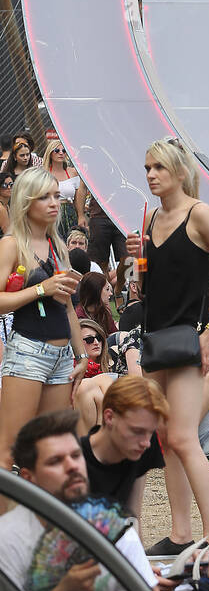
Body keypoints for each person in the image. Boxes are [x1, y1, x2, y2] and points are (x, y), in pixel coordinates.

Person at [124, 137, 209, 545]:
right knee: (164, 438)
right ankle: (181, 533)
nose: (151, 175)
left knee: (181, 437)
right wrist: (136, 258)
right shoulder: (150, 219)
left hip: (188, 341)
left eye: (157, 167)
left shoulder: (199, 214)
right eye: (147, 168)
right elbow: (143, 289)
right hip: (157, 340)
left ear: (178, 171)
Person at [0, 410, 164, 591]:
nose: (72, 467)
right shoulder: (7, 540)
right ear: (28, 478)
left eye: (76, 456)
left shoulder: (112, 527)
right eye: (55, 461)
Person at [0, 168, 86, 474]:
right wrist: (40, 289)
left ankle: (40, 520)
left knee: (49, 449)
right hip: (28, 353)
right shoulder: (11, 245)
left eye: (55, 195)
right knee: (11, 448)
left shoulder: (56, 245)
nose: (54, 203)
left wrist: (81, 355)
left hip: (61, 357)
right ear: (26, 202)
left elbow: (67, 308)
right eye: (44, 197)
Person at [78, 375, 167, 525]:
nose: (146, 443)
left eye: (151, 432)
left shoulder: (142, 446)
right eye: (136, 431)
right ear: (109, 417)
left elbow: (133, 516)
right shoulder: (73, 460)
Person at [76, 271, 115, 340]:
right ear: (97, 291)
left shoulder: (103, 311)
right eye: (107, 289)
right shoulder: (80, 318)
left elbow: (113, 332)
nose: (110, 293)